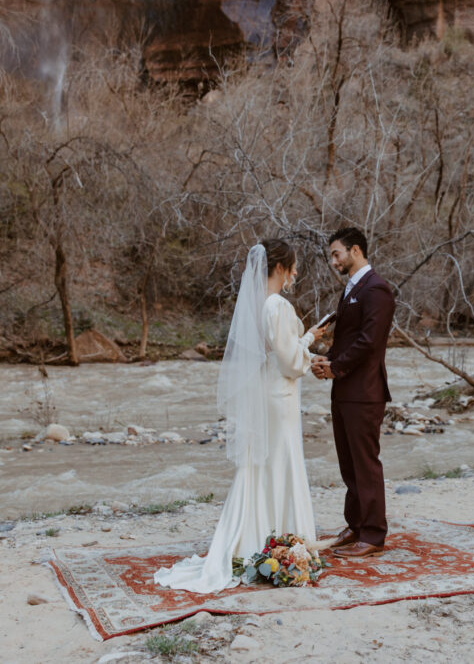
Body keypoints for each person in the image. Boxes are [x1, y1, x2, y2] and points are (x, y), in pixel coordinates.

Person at [154, 239, 327, 593]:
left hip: (268, 391)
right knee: (281, 460)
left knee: (264, 463)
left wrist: (303, 342)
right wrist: (309, 339)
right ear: (279, 268)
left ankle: (266, 537)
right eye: (292, 266)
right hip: (280, 394)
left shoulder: (256, 304)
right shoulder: (276, 304)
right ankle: (280, 540)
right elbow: (288, 360)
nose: (295, 273)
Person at [312, 227, 396, 558]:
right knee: (348, 464)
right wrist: (327, 359)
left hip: (365, 390)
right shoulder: (352, 289)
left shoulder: (377, 289)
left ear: (355, 251)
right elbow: (348, 339)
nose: (333, 261)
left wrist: (336, 367)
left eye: (337, 254)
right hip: (345, 387)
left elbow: (369, 342)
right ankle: (356, 525)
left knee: (365, 463)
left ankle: (373, 534)